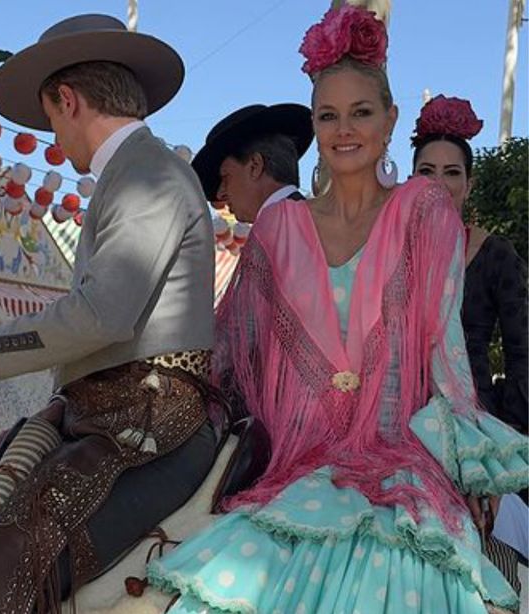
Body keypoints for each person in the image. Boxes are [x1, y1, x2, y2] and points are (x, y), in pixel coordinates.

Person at [147, 7, 528, 613]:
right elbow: (229, 346)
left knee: (410, 575)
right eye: (329, 115)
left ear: (389, 119)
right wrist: (150, 382)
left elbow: (446, 351)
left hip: (402, 461)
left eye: (361, 112)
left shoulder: (424, 210)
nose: (344, 128)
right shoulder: (279, 233)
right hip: (299, 466)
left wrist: (471, 468)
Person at [0, 14, 218, 613]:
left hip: (148, 418)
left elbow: (102, 314)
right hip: (116, 412)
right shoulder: (135, 173)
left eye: (52, 119)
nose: (55, 137)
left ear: (68, 98)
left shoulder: (147, 175)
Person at [412, 95, 528, 433]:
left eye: (452, 173)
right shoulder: (389, 250)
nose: (438, 184)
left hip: (474, 422)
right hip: (395, 420)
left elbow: (521, 353)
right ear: (411, 180)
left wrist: (507, 432)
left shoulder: (495, 255)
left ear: (468, 185)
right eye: (426, 171)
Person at [192, 103, 313, 223]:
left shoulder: (280, 231)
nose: (220, 194)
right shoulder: (318, 223)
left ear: (255, 166)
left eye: (225, 177)